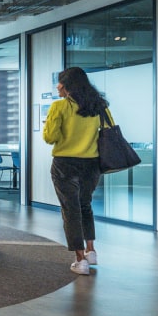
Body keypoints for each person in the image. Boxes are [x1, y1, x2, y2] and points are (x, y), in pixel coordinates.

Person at [43, 67, 112, 276]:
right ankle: (91, 251)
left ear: (68, 86)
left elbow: (50, 137)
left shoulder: (59, 107)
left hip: (65, 164)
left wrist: (52, 124)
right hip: (92, 164)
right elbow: (109, 130)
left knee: (70, 210)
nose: (57, 86)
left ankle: (80, 260)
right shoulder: (99, 106)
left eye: (60, 82)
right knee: (85, 206)